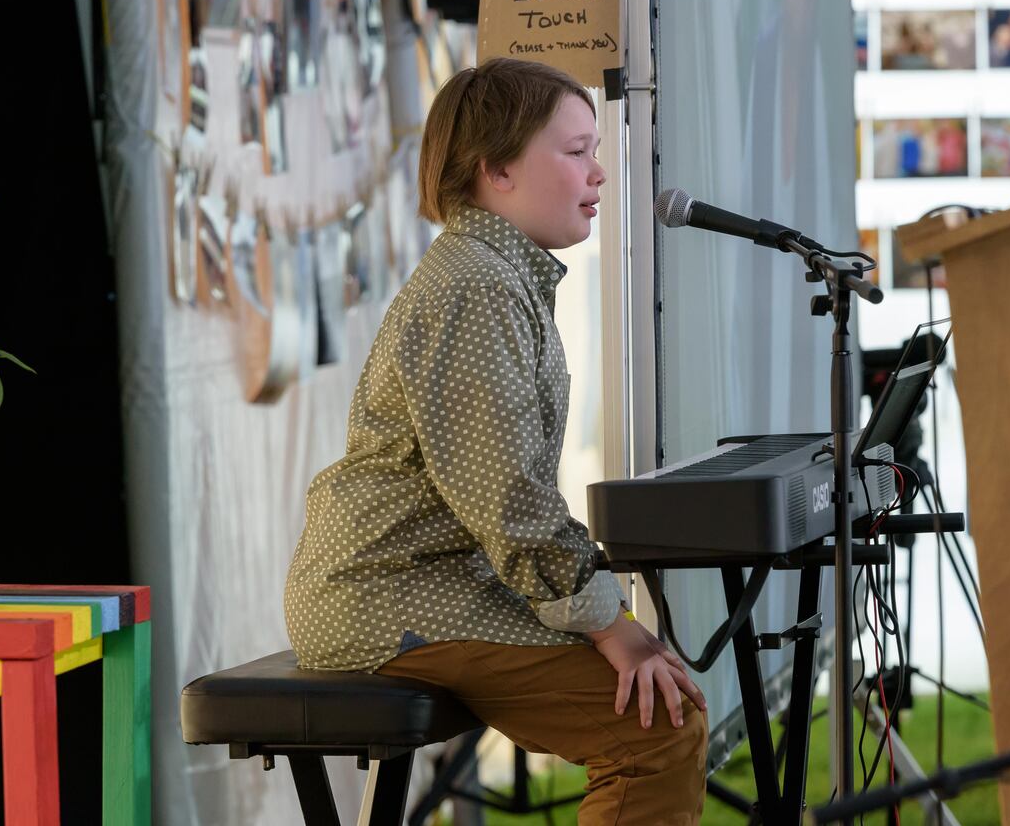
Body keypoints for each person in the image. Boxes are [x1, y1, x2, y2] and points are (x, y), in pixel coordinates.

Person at [284, 57, 708, 824]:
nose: (599, 172)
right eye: (576, 151)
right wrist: (614, 628)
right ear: (497, 169)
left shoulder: (493, 276)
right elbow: (509, 505)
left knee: (658, 704)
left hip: (415, 585)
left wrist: (607, 617)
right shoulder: (477, 286)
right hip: (384, 595)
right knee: (655, 724)